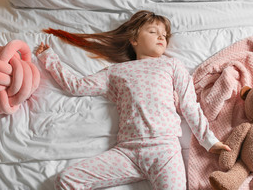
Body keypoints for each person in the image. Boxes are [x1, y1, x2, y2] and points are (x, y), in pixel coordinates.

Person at [36, 10, 231, 190]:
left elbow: (189, 105)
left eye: (165, 34)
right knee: (66, 180)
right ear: (134, 39)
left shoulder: (171, 65)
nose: (162, 37)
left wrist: (209, 141)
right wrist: (49, 59)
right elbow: (76, 86)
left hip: (164, 150)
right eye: (154, 31)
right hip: (127, 151)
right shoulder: (116, 71)